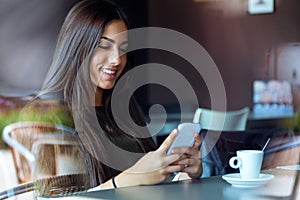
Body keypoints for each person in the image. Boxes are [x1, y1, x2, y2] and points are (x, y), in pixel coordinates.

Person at [38, 0, 202, 190]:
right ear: (78, 47)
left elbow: (151, 185)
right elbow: (55, 197)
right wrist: (130, 178)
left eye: (123, 48)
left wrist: (184, 172)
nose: (117, 59)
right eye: (104, 46)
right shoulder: (53, 116)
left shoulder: (124, 109)